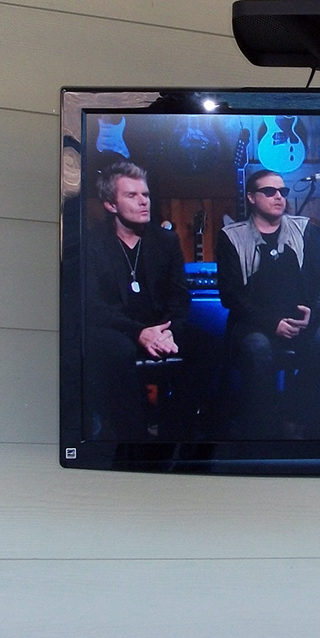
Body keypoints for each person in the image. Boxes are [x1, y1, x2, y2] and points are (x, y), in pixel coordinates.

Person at [218, 168, 320, 437]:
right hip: (254, 323)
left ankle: (292, 411)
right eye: (269, 191)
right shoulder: (232, 236)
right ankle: (263, 427)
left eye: (282, 191)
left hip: (301, 321)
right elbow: (231, 294)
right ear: (251, 197)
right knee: (258, 351)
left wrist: (313, 314)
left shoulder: (304, 230)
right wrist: (272, 323)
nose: (279, 197)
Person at [82, 161, 202, 439]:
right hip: (117, 330)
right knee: (118, 350)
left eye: (145, 194)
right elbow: (92, 306)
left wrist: (169, 331)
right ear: (111, 205)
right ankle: (133, 439)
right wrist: (138, 332)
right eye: (132, 195)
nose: (143, 201)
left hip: (161, 327)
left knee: (209, 348)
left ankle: (174, 433)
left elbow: (179, 296)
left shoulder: (166, 241)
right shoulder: (92, 244)